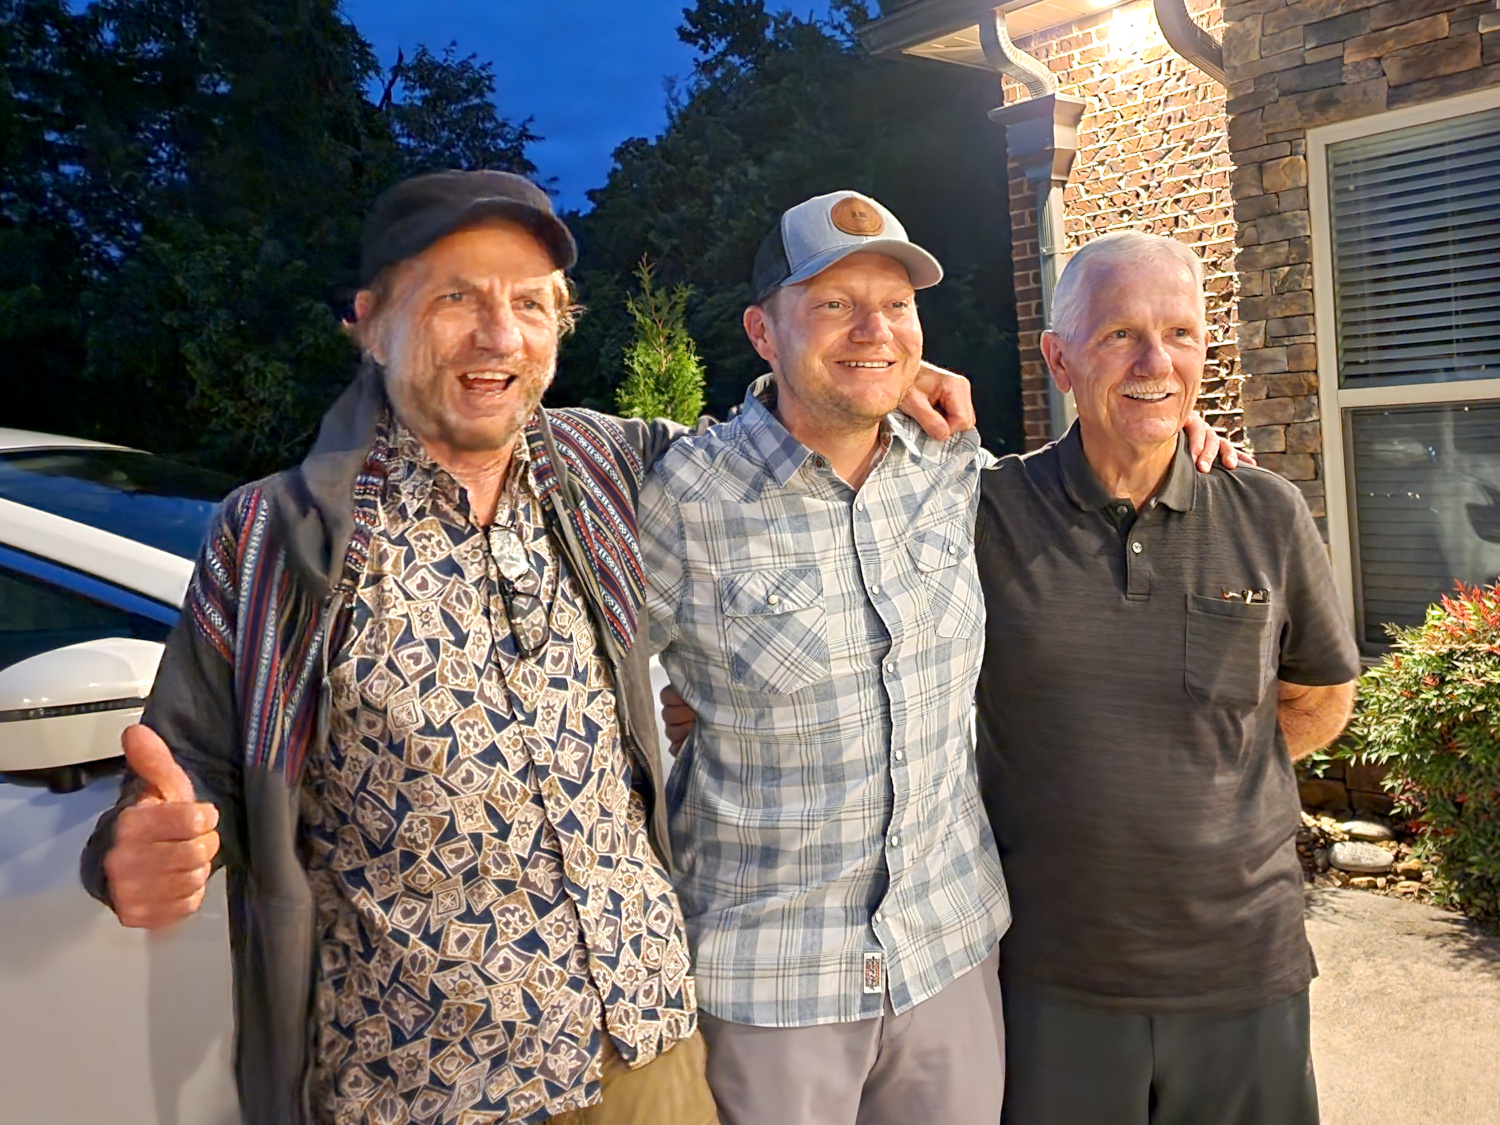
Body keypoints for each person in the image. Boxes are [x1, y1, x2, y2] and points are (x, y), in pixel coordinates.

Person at [79, 170, 973, 1125]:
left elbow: (771, 443)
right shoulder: (277, 535)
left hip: (650, 1052)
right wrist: (138, 850)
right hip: (427, 1085)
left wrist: (878, 374)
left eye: (531, 305)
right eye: (455, 299)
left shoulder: (605, 466)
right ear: (372, 323)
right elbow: (189, 768)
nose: (498, 335)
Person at [642, 194, 1242, 1125]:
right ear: (763, 331)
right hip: (771, 980)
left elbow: (1085, 488)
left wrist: (1169, 435)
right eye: (834, 304)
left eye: (896, 305)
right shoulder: (681, 495)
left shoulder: (952, 464)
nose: (873, 328)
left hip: (949, 952)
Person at [974, 231, 1360, 1125]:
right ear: (1059, 359)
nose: (1156, 362)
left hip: (1245, 972)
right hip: (1050, 979)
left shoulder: (1265, 510)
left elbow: (1321, 696)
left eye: (1180, 333)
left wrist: (1207, 772)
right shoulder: (988, 515)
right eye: (1120, 334)